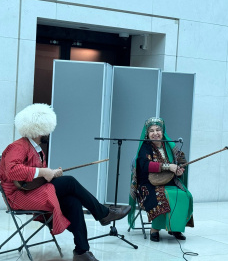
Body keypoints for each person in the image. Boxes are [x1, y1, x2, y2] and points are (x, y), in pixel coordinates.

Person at [0, 103, 131, 261]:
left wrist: (52, 174)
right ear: (40, 128)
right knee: (69, 182)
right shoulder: (18, 146)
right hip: (18, 196)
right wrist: (44, 172)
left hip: (31, 191)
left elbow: (37, 178)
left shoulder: (37, 149)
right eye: (47, 128)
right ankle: (103, 214)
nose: (49, 132)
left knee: (73, 201)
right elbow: (12, 171)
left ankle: (82, 251)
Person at [128, 117, 193, 242]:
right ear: (147, 133)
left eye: (158, 129)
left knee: (184, 195)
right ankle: (155, 229)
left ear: (163, 132)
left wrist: (179, 169)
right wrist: (168, 166)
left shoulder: (169, 145)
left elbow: (181, 161)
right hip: (148, 182)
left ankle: (175, 228)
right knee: (160, 194)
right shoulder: (145, 147)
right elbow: (145, 165)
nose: (155, 133)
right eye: (151, 130)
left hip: (169, 180)